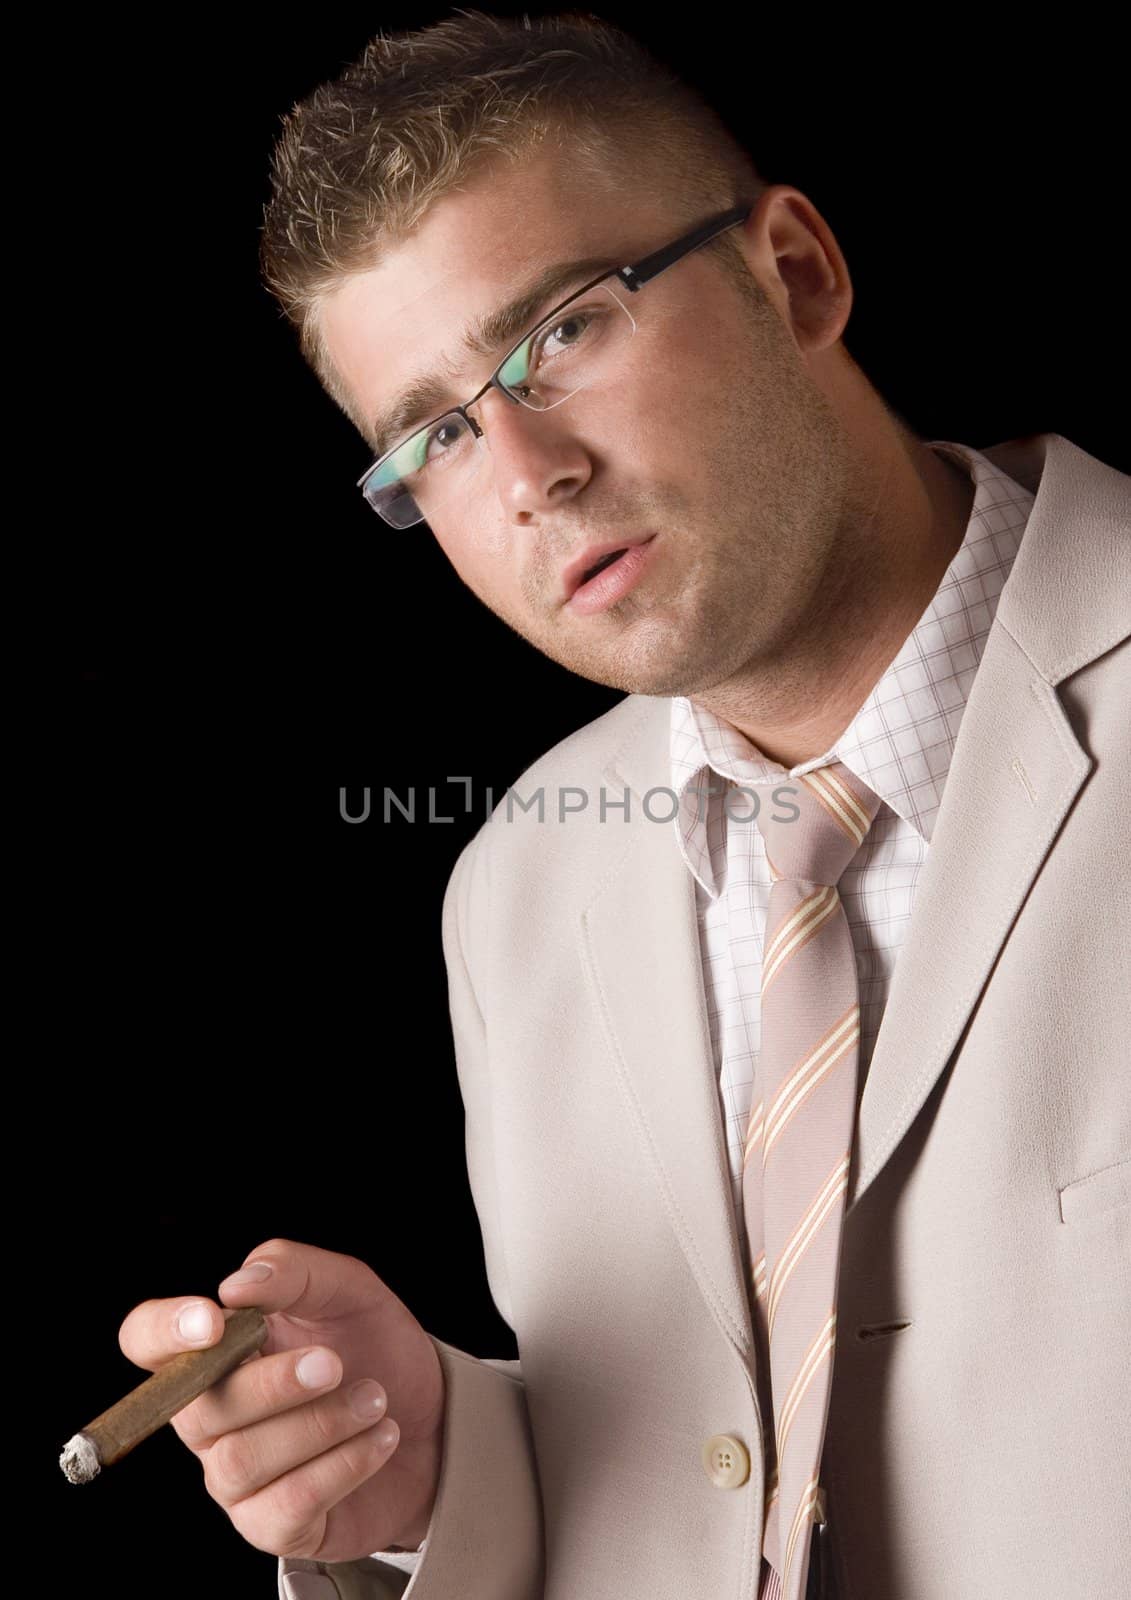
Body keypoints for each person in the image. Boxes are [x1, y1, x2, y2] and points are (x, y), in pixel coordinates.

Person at [118, 11, 1130, 1598]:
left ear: (795, 273)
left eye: (564, 333)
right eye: (434, 434)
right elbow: (710, 1474)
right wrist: (440, 1465)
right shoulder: (517, 886)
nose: (524, 471)